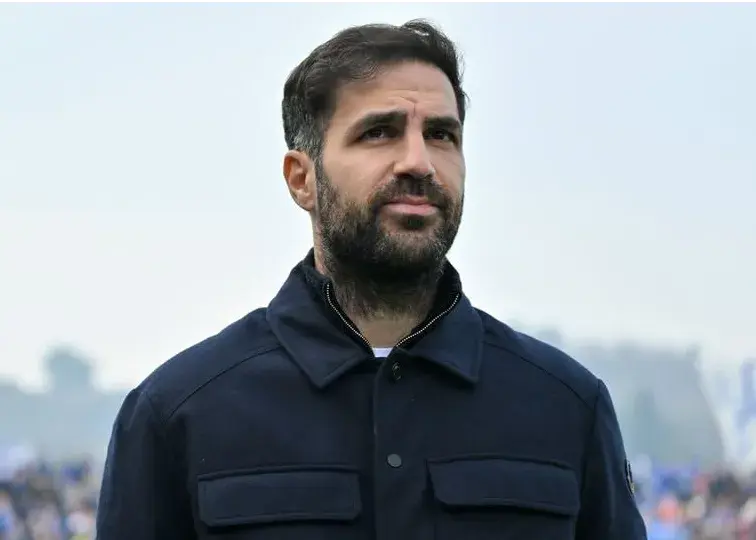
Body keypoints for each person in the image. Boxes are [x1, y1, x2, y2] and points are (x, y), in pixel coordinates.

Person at [96, 19, 647, 540]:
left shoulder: (567, 406)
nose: (419, 162)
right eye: (379, 132)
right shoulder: (178, 414)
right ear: (302, 179)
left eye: (441, 134)